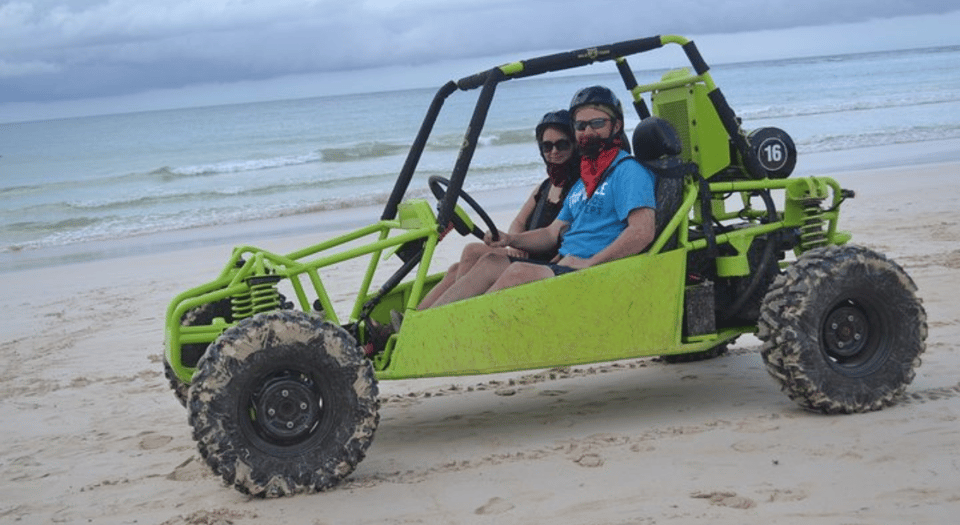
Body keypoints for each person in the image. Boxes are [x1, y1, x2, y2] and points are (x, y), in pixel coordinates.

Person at [424, 85, 656, 308]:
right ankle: (421, 327)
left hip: (595, 272)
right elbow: (551, 232)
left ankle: (458, 331)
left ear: (616, 126)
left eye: (597, 123)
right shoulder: (584, 181)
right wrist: (510, 239)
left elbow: (642, 232)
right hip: (564, 265)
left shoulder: (628, 171)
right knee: (491, 262)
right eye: (581, 125)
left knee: (519, 272)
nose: (588, 132)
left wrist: (589, 263)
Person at [416, 109, 580, 309]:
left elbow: (554, 234)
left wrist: (517, 243)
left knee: (478, 254)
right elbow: (519, 221)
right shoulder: (545, 187)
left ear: (574, 144)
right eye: (547, 146)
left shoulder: (578, 188)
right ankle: (412, 320)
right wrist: (517, 243)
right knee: (457, 267)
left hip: (546, 259)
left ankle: (448, 316)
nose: (554, 151)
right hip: (528, 252)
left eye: (561, 144)